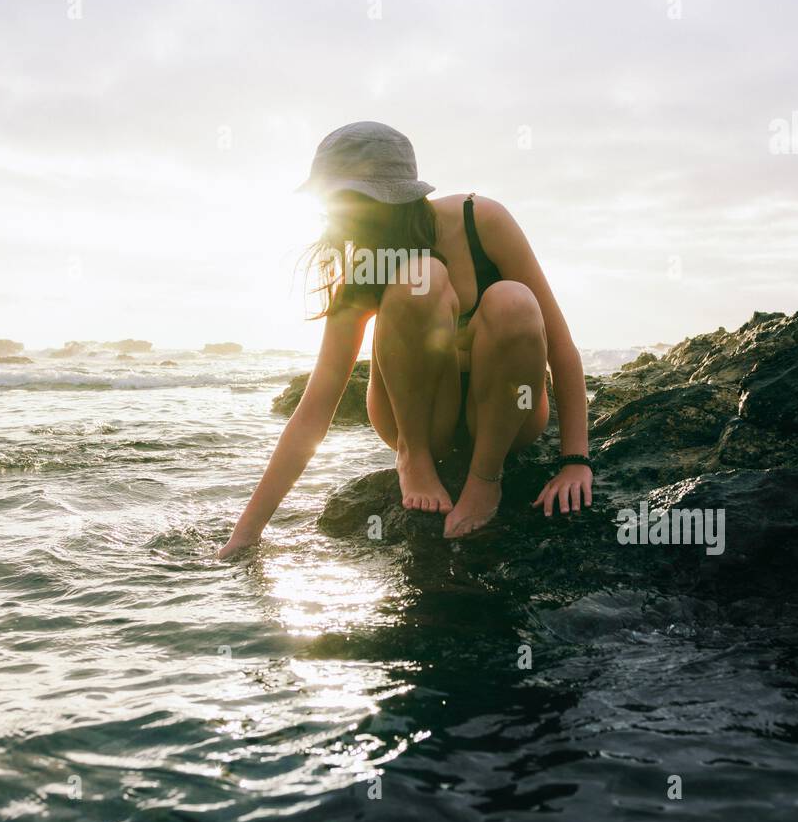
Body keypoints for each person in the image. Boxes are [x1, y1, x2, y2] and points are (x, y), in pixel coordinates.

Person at [220, 121, 592, 557]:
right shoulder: (364, 263)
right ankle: (412, 458)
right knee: (422, 277)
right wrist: (246, 533)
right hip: (416, 422)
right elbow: (316, 406)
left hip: (508, 417)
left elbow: (560, 348)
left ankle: (484, 478)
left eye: (356, 201)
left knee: (513, 299)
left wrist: (575, 462)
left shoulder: (481, 219)